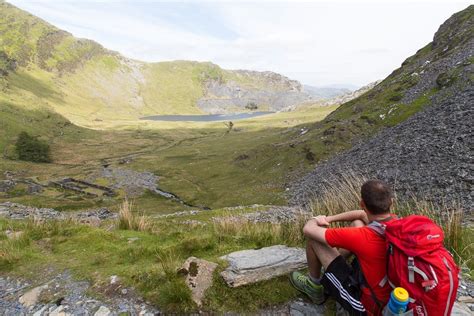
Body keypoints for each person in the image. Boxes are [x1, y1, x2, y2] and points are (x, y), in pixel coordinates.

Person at [290, 180, 397, 315]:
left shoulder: (361, 236)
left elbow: (308, 229)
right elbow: (360, 215)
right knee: (358, 223)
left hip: (366, 306)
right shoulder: (397, 225)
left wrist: (317, 219)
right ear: (391, 202)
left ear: (362, 203)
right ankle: (332, 271)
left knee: (314, 240)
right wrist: (329, 219)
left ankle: (315, 286)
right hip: (392, 298)